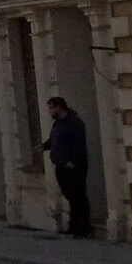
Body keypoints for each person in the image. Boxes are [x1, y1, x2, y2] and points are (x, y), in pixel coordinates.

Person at [42, 96, 91, 238]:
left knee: (78, 196)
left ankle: (81, 227)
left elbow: (79, 144)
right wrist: (43, 147)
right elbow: (54, 141)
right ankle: (74, 226)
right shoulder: (57, 124)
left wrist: (73, 161)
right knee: (70, 196)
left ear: (59, 107)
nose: (50, 111)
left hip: (73, 166)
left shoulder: (74, 122)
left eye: (51, 107)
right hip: (61, 164)